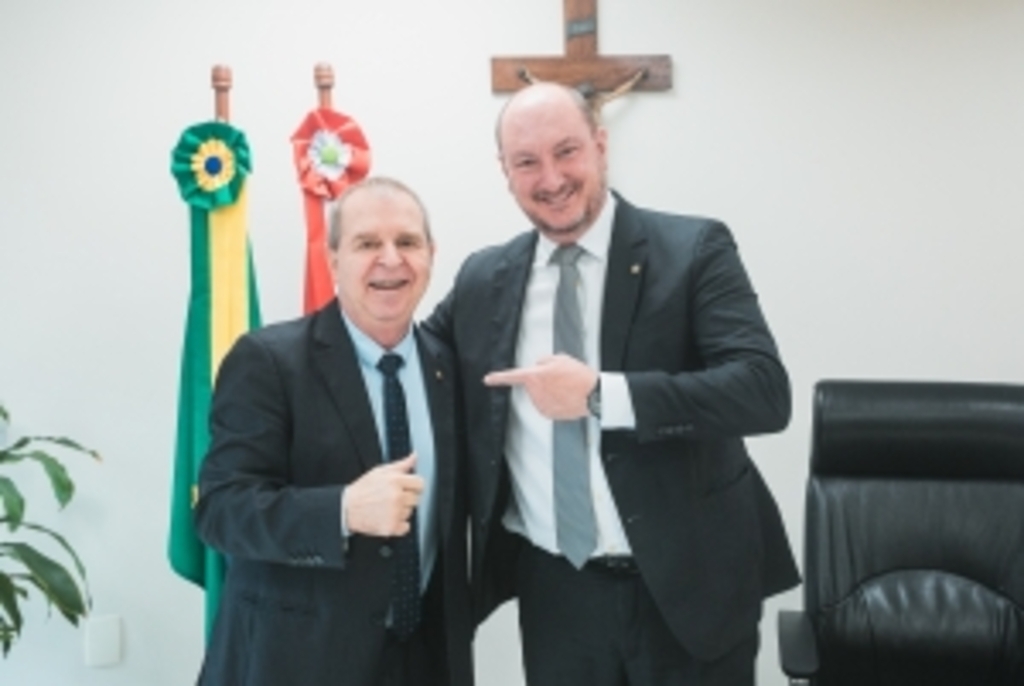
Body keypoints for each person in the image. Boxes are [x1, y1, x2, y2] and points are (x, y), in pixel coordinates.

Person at [425, 82, 799, 685]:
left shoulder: (694, 248)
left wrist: (603, 394)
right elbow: (413, 364)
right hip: (557, 594)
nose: (550, 178)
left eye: (566, 151)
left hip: (690, 588)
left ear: (601, 146)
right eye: (527, 162)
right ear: (505, 172)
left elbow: (762, 390)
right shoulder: (483, 278)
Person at [193, 177, 473, 686]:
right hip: (297, 661)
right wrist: (342, 510)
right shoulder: (268, 362)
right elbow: (221, 511)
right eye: (367, 243)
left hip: (426, 659)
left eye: (407, 242)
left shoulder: (450, 366)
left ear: (431, 254)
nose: (391, 260)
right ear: (333, 259)